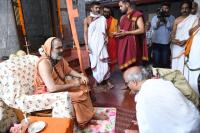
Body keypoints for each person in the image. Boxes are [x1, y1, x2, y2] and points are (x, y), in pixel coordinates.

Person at [34, 37, 108, 127]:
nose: (61, 50)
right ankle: (84, 121)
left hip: (60, 86)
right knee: (78, 94)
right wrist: (73, 84)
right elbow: (52, 88)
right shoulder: (44, 63)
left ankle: (90, 115)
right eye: (58, 48)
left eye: (61, 47)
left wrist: (81, 76)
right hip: (48, 93)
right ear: (50, 49)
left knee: (83, 86)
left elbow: (68, 70)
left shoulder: (57, 57)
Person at [123, 66, 200, 133]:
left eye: (127, 83)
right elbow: (166, 112)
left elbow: (147, 130)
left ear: (134, 82)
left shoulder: (142, 97)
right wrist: (148, 119)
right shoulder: (163, 82)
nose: (127, 86)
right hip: (194, 123)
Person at [84, 2, 113, 89]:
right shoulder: (87, 20)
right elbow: (85, 33)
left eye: (99, 8)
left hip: (102, 44)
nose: (98, 9)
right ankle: (97, 81)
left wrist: (107, 37)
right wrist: (86, 45)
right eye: (96, 8)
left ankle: (107, 81)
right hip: (92, 45)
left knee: (104, 63)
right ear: (91, 8)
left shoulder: (103, 18)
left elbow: (105, 31)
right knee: (95, 62)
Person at [113, 0, 148, 71]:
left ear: (127, 4)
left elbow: (142, 30)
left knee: (133, 67)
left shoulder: (137, 14)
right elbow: (122, 30)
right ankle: (128, 81)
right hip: (123, 44)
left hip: (133, 45)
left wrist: (126, 33)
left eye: (121, 6)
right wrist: (117, 33)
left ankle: (134, 81)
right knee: (124, 65)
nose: (120, 8)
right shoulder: (122, 17)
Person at [171, 1, 197, 73]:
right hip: (177, 45)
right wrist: (173, 40)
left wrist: (186, 41)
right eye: (182, 8)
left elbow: (195, 33)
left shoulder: (194, 18)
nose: (184, 10)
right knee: (176, 65)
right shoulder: (176, 20)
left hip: (189, 44)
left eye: (186, 8)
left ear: (190, 9)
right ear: (180, 9)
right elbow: (173, 34)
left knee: (186, 65)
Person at [151, 2, 175, 68]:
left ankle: (165, 76)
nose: (165, 9)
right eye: (163, 8)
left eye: (166, 8)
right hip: (156, 42)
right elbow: (154, 26)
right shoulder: (155, 17)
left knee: (165, 61)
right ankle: (156, 76)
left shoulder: (172, 17)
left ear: (169, 9)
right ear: (161, 8)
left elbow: (171, 28)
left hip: (166, 43)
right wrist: (159, 19)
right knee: (156, 61)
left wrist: (165, 20)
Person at [183, 17, 200, 96]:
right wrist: (198, 25)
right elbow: (190, 32)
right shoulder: (196, 28)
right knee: (193, 77)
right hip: (193, 55)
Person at [103, 6, 118, 71]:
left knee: (112, 58)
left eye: (108, 12)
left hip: (112, 41)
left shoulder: (115, 21)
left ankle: (112, 72)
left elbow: (118, 31)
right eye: (104, 11)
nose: (106, 13)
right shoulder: (100, 20)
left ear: (110, 12)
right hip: (102, 42)